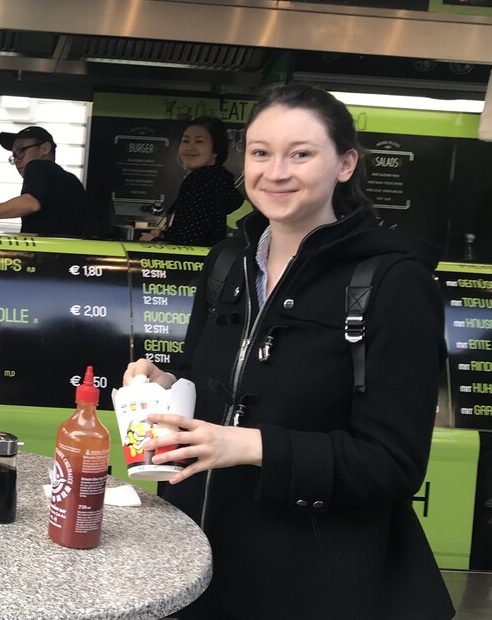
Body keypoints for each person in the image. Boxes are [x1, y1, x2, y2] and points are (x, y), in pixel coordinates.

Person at [122, 85, 453, 620]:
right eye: (260, 152)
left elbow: (393, 464)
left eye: (300, 153)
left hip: (311, 579)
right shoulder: (228, 263)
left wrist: (251, 445)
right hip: (197, 558)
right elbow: (197, 376)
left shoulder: (392, 282)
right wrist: (166, 387)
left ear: (345, 164)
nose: (275, 172)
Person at [0, 125, 86, 236]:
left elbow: (30, 203)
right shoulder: (71, 180)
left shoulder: (37, 165)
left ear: (44, 148)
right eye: (14, 155)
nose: (17, 160)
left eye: (21, 150)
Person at [141, 116, 243, 246]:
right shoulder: (218, 182)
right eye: (185, 141)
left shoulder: (200, 182)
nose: (190, 147)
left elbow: (186, 242)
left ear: (215, 150)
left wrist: (153, 241)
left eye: (199, 142)